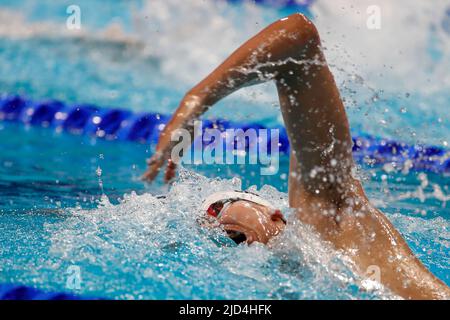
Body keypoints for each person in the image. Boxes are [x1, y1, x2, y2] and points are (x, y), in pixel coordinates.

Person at [142, 13, 450, 300]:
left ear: (273, 212)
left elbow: (299, 39)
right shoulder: (299, 277)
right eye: (217, 240)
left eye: (218, 208)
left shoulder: (327, 220)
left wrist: (195, 102)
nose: (216, 227)